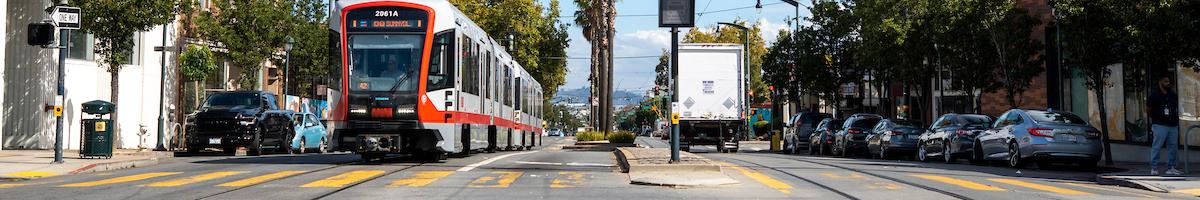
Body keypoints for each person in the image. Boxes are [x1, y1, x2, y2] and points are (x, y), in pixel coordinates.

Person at [1148, 76, 1180, 176]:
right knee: (1157, 146)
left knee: (1173, 146)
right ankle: (1154, 168)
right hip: (1159, 124)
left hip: (1172, 124)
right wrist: (1155, 117)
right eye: (1165, 81)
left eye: (1168, 81)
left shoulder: (1172, 94)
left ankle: (1171, 167)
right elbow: (1148, 108)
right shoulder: (1154, 95)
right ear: (1160, 82)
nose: (1168, 83)